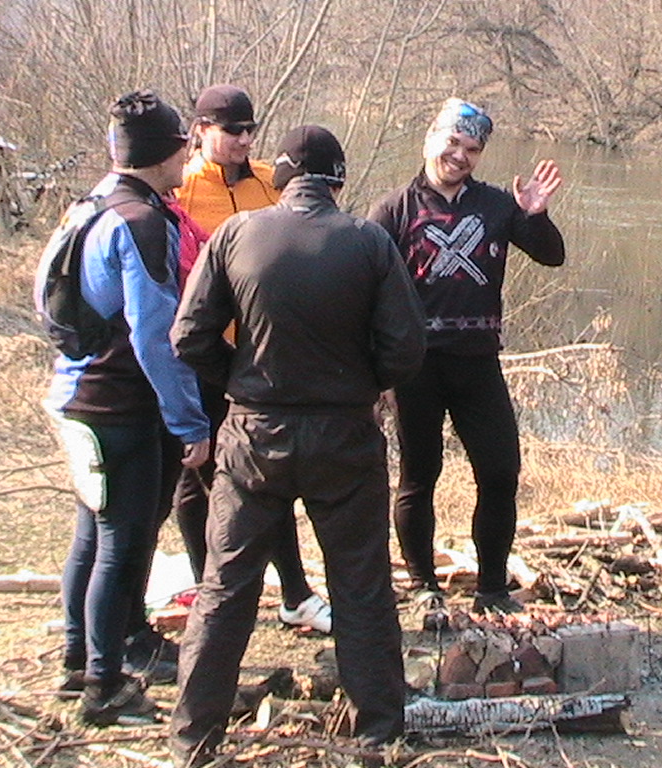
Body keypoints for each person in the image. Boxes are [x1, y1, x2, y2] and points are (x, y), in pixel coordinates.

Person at [168, 124, 426, 768]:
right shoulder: (368, 242)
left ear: (280, 178)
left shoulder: (235, 235)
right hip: (344, 436)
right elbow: (407, 348)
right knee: (361, 585)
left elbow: (188, 336)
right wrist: (363, 384)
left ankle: (193, 740)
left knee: (225, 588)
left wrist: (241, 380)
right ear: (338, 181)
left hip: (255, 435)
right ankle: (378, 735)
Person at [42, 90, 210, 726]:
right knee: (122, 542)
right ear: (161, 154)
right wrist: (189, 422)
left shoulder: (88, 205)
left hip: (77, 393)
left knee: (92, 532)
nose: (187, 157)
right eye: (181, 148)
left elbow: (50, 298)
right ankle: (104, 687)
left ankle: (78, 659)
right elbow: (154, 335)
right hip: (118, 407)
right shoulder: (141, 221)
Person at [367, 97, 565, 625]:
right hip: (416, 366)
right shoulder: (393, 210)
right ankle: (423, 585)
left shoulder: (496, 205)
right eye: (453, 143)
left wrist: (535, 215)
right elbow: (368, 293)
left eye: (472, 149)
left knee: (500, 472)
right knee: (419, 475)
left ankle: (492, 587)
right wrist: (376, 371)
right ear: (430, 138)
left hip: (477, 362)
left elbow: (551, 256)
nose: (460, 156)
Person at [173, 84, 331, 633]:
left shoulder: (271, 182)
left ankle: (295, 594)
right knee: (196, 478)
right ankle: (208, 587)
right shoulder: (182, 190)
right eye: (232, 130)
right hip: (203, 355)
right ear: (201, 130)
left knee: (269, 475)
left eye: (250, 130)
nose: (244, 140)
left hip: (264, 354)